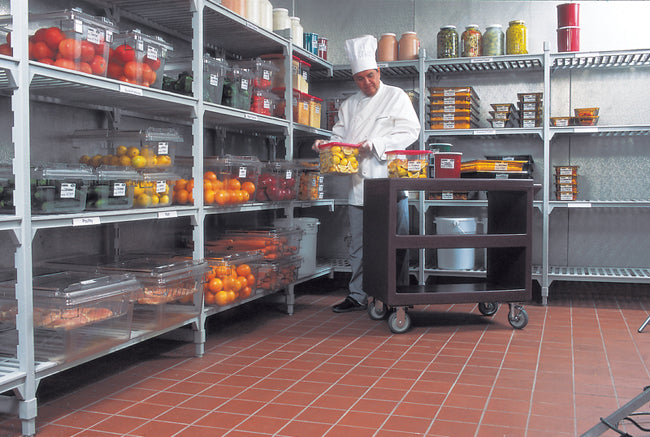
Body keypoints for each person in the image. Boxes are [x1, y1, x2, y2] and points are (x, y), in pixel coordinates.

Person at [313, 35, 421, 313]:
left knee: (396, 243)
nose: (366, 83)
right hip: (359, 187)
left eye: (370, 76)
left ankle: (398, 295)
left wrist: (378, 145)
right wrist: (325, 145)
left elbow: (412, 131)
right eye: (359, 78)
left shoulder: (396, 96)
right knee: (359, 247)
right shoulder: (349, 106)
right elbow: (338, 138)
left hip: (390, 184)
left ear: (379, 72)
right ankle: (358, 295)